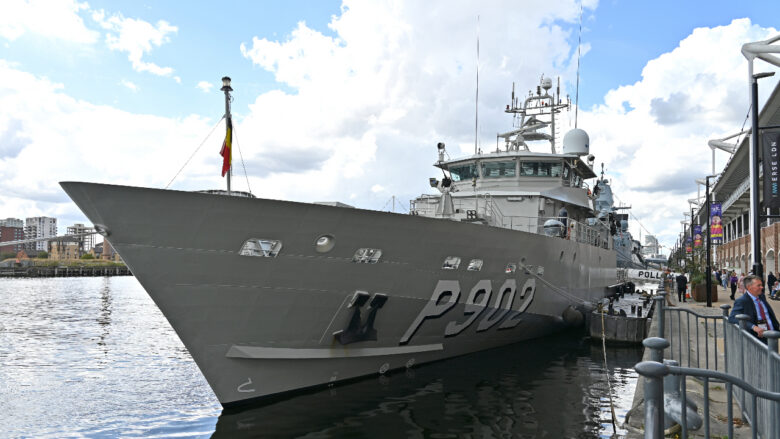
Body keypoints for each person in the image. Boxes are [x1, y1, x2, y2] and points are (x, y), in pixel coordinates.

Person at [728, 275, 779, 341]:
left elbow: (768, 314)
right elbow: (732, 318)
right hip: (758, 337)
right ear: (749, 287)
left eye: (761, 285)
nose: (762, 287)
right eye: (759, 285)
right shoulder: (742, 301)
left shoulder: (761, 296)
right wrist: (753, 327)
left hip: (772, 334)